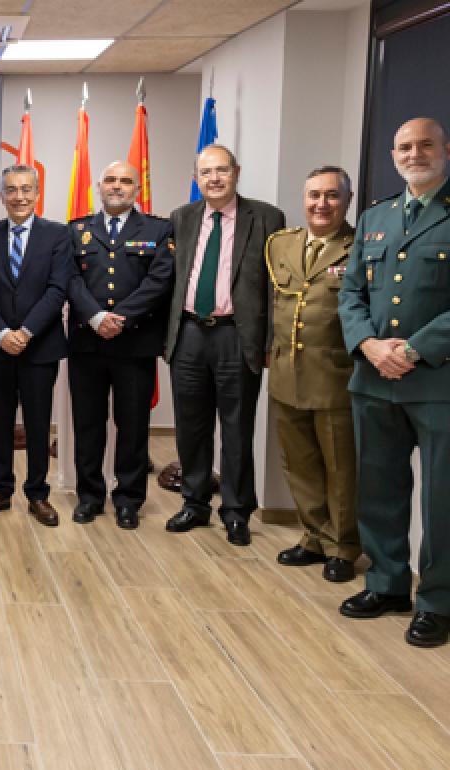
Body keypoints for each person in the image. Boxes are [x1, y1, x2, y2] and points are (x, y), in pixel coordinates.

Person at [339, 117, 450, 648]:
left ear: (445, 149)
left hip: (435, 380)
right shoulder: (375, 217)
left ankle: (438, 599)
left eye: (424, 144)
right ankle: (386, 583)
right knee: (378, 489)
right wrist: (369, 346)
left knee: (442, 497)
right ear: (392, 154)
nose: (414, 153)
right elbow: (351, 293)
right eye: (404, 146)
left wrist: (412, 349)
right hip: (374, 377)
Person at [163, 144, 285, 546]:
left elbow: (274, 287)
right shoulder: (181, 218)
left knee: (236, 427)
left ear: (236, 171)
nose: (213, 179)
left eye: (221, 170)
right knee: (191, 427)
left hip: (237, 335)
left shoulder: (266, 217)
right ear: (196, 177)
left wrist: (268, 341)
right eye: (205, 172)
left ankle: (235, 511)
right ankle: (194, 504)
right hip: (190, 333)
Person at [66, 161, 173, 530]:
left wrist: (120, 318)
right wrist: (96, 318)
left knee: (133, 426)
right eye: (110, 180)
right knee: (88, 425)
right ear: (99, 186)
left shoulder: (159, 230)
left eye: (125, 181)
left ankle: (128, 499)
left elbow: (159, 281)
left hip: (135, 344)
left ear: (137, 189)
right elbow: (69, 281)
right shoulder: (76, 230)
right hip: (87, 344)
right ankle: (90, 496)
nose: (117, 186)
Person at [267, 166, 359, 582]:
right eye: (314, 195)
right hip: (287, 372)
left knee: (339, 465)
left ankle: (342, 544)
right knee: (299, 461)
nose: (321, 204)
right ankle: (313, 536)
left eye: (331, 196)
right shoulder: (281, 246)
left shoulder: (359, 248)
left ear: (347, 200)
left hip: (334, 375)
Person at [0, 164, 72, 525]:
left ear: (37, 193)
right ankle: (1, 490)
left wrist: (26, 332)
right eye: (11, 190)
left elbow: (58, 290)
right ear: (2, 196)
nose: (19, 197)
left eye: (26, 189)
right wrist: (0, 333)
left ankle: (38, 494)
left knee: (38, 423)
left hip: (40, 346)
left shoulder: (58, 235)